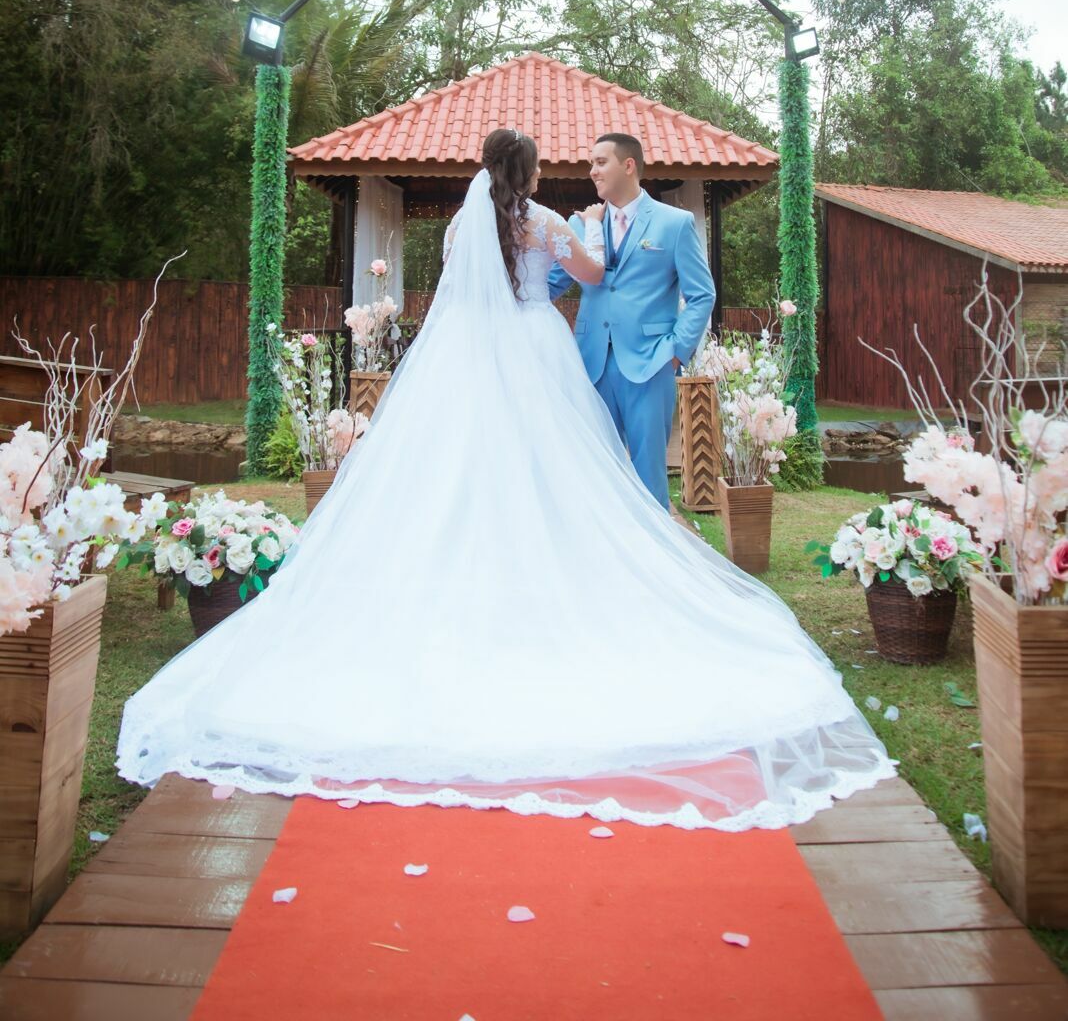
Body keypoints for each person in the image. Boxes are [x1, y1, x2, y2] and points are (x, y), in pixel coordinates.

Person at [117, 128, 893, 831]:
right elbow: (593, 274)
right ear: (531, 173)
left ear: (481, 171)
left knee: (456, 470)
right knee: (559, 473)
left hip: (464, 358)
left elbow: (462, 284)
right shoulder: (552, 223)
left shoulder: (461, 225)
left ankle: (455, 583)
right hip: (533, 353)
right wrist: (585, 241)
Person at [549, 132, 714, 509]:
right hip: (590, 364)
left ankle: (656, 560)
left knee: (648, 476)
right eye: (590, 163)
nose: (592, 171)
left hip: (651, 363)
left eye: (600, 162)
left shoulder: (675, 224)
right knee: (592, 471)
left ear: (629, 165)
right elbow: (551, 285)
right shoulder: (581, 226)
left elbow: (702, 294)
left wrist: (675, 352)